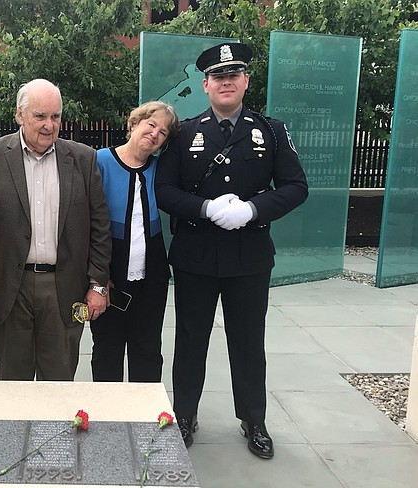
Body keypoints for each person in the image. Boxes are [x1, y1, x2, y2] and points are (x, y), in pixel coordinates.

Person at [155, 43, 308, 459]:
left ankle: (253, 420)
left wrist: (254, 208)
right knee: (190, 340)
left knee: (247, 341)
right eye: (218, 77)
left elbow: (297, 187)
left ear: (245, 82)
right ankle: (184, 414)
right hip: (196, 257)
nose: (226, 82)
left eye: (233, 75)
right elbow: (164, 190)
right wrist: (205, 207)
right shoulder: (183, 133)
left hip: (249, 256)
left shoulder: (271, 131)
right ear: (205, 85)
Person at [0, 78, 111, 381]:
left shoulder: (83, 159)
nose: (49, 125)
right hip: (9, 289)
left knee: (58, 382)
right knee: (13, 382)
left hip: (65, 287)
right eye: (40, 116)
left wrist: (98, 284)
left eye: (55, 116)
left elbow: (100, 225)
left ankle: (53, 430)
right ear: (20, 115)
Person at [91, 101, 179, 382]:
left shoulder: (161, 169)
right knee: (107, 349)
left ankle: (146, 418)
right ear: (134, 123)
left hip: (151, 276)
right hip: (110, 274)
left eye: (163, 132)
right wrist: (97, 277)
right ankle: (108, 417)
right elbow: (86, 224)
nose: (155, 134)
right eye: (151, 124)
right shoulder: (100, 161)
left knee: (148, 350)